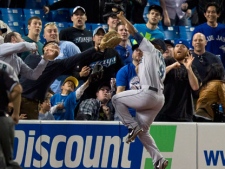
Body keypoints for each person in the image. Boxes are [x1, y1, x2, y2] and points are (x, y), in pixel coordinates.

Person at [19, 32, 122, 119]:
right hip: (17, 99)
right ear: (44, 48)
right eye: (52, 46)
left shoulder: (56, 66)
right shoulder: (32, 57)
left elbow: (77, 58)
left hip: (32, 104)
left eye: (57, 47)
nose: (55, 48)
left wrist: (96, 49)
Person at [112, 12, 168, 169]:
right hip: (159, 99)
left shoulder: (150, 49)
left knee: (116, 99)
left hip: (148, 94)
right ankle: (159, 160)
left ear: (156, 46)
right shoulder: (160, 60)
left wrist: (123, 18)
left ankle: (131, 126)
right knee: (143, 132)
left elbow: (134, 32)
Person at [155, 39, 200, 122]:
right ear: (174, 50)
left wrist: (189, 69)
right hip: (163, 111)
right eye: (177, 46)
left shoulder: (192, 67)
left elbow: (195, 87)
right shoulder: (165, 62)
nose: (179, 48)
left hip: (183, 113)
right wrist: (172, 66)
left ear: (188, 51)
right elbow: (156, 77)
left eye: (183, 47)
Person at [43, 22, 81, 94]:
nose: (53, 33)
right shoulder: (43, 50)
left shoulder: (69, 45)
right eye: (50, 31)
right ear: (44, 36)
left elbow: (81, 62)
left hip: (69, 90)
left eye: (55, 31)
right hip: (51, 91)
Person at [0, 61, 22, 169]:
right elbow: (18, 89)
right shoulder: (2, 70)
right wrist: (5, 101)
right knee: (8, 161)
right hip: (3, 119)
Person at [190, 2, 225, 68]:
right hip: (205, 64)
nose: (210, 14)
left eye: (213, 12)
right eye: (208, 12)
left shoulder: (223, 29)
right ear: (205, 14)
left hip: (223, 64)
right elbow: (192, 49)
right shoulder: (198, 30)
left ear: (218, 14)